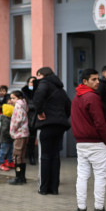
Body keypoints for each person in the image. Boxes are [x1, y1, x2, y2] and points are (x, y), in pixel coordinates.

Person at [71, 69, 106, 211]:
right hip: (97, 143)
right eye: (93, 79)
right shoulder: (92, 98)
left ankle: (81, 208)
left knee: (82, 176)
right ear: (85, 81)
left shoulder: (76, 98)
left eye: (97, 79)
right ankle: (99, 209)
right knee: (100, 176)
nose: (97, 82)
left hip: (81, 143)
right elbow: (100, 121)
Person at [33, 67, 71, 196]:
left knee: (45, 156)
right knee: (55, 156)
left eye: (37, 76)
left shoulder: (44, 83)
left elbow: (37, 99)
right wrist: (61, 117)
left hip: (47, 125)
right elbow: (68, 106)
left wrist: (40, 112)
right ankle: (54, 188)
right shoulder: (60, 89)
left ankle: (43, 188)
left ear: (41, 75)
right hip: (60, 126)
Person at [8, 92, 30, 185]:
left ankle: (18, 178)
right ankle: (22, 177)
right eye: (11, 98)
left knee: (16, 156)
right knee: (21, 155)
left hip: (19, 134)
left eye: (13, 98)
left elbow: (18, 120)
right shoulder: (24, 105)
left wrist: (12, 130)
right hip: (24, 133)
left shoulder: (18, 106)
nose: (11, 100)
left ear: (19, 98)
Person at [22, 76, 38, 166]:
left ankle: (31, 156)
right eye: (30, 82)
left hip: (34, 119)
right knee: (22, 139)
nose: (32, 84)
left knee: (32, 138)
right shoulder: (24, 93)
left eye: (34, 82)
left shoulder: (38, 93)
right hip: (24, 118)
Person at [0, 103, 14, 172]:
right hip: (5, 139)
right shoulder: (5, 119)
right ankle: (2, 164)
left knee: (10, 151)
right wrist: (11, 135)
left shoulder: (9, 118)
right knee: (3, 152)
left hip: (10, 139)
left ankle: (10, 162)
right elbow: (4, 130)